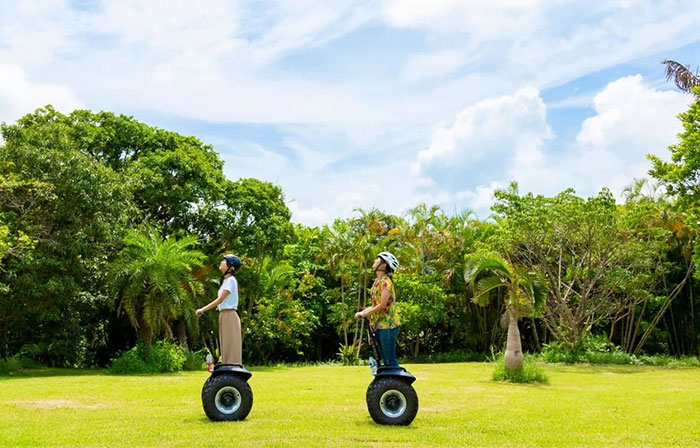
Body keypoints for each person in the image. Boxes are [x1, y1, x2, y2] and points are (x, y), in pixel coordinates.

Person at [355, 251, 401, 367]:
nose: (374, 261)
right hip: (378, 325)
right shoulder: (377, 282)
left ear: (384, 265)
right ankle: (387, 384)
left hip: (387, 326)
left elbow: (382, 305)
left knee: (389, 361)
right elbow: (375, 305)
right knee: (383, 361)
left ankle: (396, 384)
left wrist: (364, 314)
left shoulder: (386, 282)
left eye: (377, 260)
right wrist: (363, 312)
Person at [196, 254, 243, 365]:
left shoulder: (231, 280)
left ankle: (232, 366)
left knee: (230, 344)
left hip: (229, 314)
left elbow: (220, 300)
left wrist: (203, 309)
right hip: (223, 314)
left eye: (224, 261)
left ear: (230, 267)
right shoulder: (226, 281)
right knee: (225, 343)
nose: (221, 262)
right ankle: (227, 365)